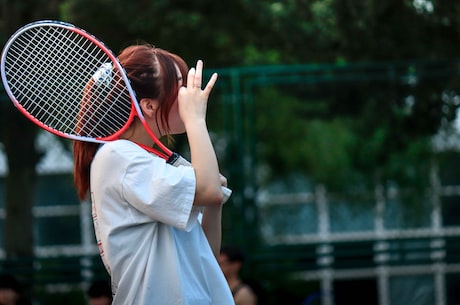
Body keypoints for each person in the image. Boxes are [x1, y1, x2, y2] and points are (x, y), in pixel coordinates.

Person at [73, 44, 234, 305]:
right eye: (180, 87)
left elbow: (206, 257)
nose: (188, 96)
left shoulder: (150, 162)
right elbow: (208, 190)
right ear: (148, 105)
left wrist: (212, 203)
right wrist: (195, 120)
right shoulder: (118, 157)